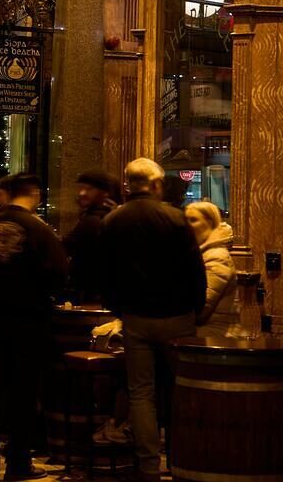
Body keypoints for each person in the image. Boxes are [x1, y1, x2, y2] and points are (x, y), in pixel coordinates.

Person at [99, 158, 206, 482]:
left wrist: (119, 309)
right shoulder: (174, 219)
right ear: (157, 184)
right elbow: (195, 272)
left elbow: (106, 274)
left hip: (136, 317)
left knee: (141, 392)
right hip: (176, 316)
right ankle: (181, 458)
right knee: (182, 388)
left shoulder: (113, 220)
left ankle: (148, 465)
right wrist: (195, 310)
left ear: (128, 183)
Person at [0, 173, 68, 481]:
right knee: (23, 393)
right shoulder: (39, 229)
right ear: (35, 194)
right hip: (28, 320)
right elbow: (58, 273)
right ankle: (18, 462)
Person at [63, 169, 120, 303]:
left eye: (89, 189)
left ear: (106, 193)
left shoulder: (92, 221)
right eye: (81, 188)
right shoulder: (113, 217)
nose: (82, 193)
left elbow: (65, 249)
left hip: (91, 296)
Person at [186, 202, 237, 337]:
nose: (187, 224)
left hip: (214, 336)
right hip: (204, 332)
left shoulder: (216, 256)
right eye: (185, 220)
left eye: (193, 220)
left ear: (209, 222)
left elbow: (202, 310)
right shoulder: (201, 252)